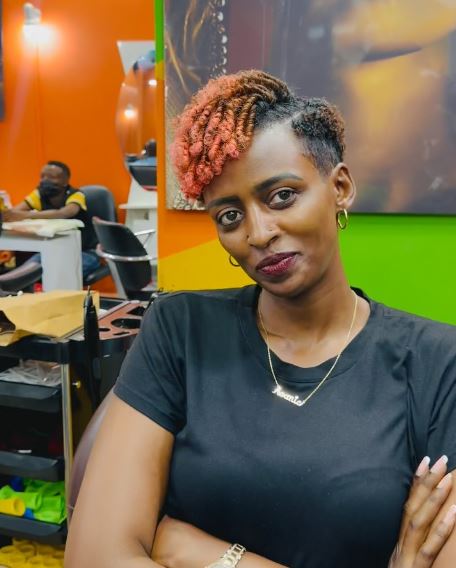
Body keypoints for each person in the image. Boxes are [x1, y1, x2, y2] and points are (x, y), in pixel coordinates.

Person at [65, 70, 456, 567]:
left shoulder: (437, 363)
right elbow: (93, 557)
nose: (258, 232)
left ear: (340, 187)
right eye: (229, 216)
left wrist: (197, 553)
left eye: (282, 196)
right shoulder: (179, 331)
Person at [2, 160, 101, 279]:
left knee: (57, 273)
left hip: (85, 251)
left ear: (65, 181)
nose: (45, 180)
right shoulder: (39, 194)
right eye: (42, 176)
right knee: (32, 267)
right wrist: (8, 214)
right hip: (54, 250)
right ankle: (6, 283)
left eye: (52, 177)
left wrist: (26, 215)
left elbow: (64, 213)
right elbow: (15, 213)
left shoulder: (75, 194)